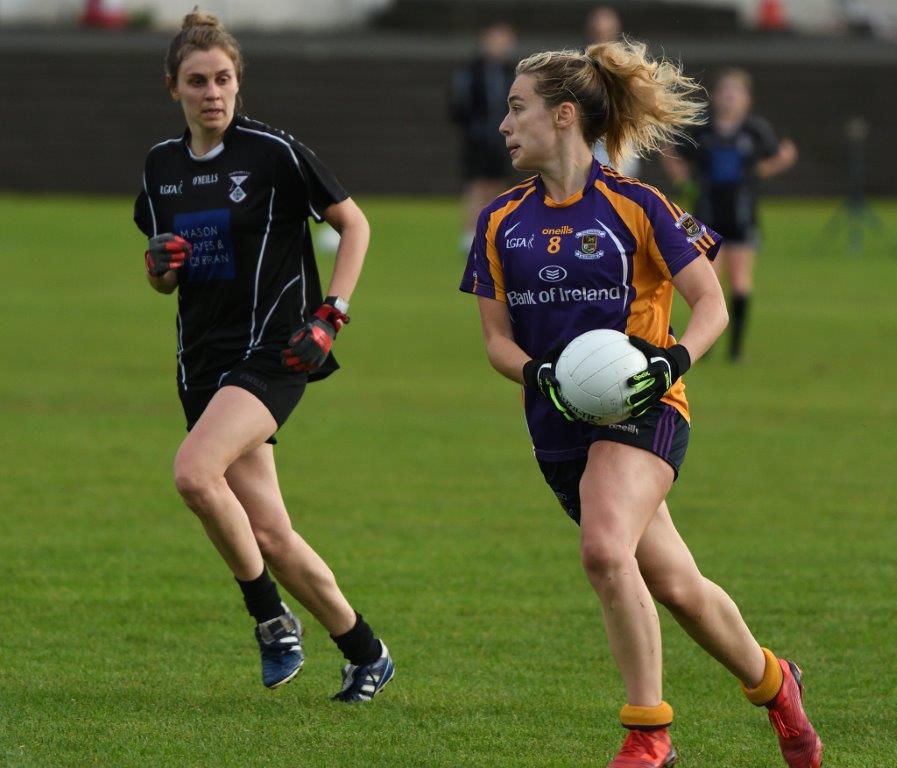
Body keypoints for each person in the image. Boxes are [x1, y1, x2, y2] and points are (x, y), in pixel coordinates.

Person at [459, 42, 822, 767]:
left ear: (563, 116)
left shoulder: (641, 205)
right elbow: (496, 341)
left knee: (601, 549)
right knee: (677, 587)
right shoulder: (500, 221)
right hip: (557, 418)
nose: (503, 123)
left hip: (646, 408)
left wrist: (671, 361)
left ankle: (647, 732)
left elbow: (710, 304)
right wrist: (541, 378)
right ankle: (775, 683)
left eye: (516, 107)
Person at [133, 10, 394, 701]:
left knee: (193, 473)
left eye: (223, 78)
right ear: (173, 89)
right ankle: (365, 651)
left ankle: (270, 619)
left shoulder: (272, 153)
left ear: (238, 82)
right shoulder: (160, 167)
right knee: (272, 534)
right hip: (202, 364)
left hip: (277, 350)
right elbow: (163, 278)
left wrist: (330, 316)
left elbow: (354, 222)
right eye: (197, 81)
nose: (212, 92)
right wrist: (157, 265)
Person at [661, 68, 797, 361]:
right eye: (725, 90)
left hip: (742, 214)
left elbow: (782, 154)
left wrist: (761, 172)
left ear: (747, 99)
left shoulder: (755, 130)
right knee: (708, 281)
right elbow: (669, 149)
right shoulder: (703, 129)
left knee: (739, 281)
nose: (730, 97)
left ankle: (735, 349)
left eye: (737, 91)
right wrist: (682, 179)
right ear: (717, 96)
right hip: (706, 215)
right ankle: (704, 344)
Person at [450, 22, 518, 252]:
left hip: (503, 137)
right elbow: (459, 104)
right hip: (477, 137)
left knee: (498, 185)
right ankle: (470, 234)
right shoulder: (471, 71)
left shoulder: (512, 72)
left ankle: (495, 230)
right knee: (477, 186)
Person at [584, 6, 640, 178]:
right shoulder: (581, 62)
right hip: (591, 135)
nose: (602, 34)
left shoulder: (626, 62)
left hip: (619, 135)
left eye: (607, 30)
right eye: (598, 30)